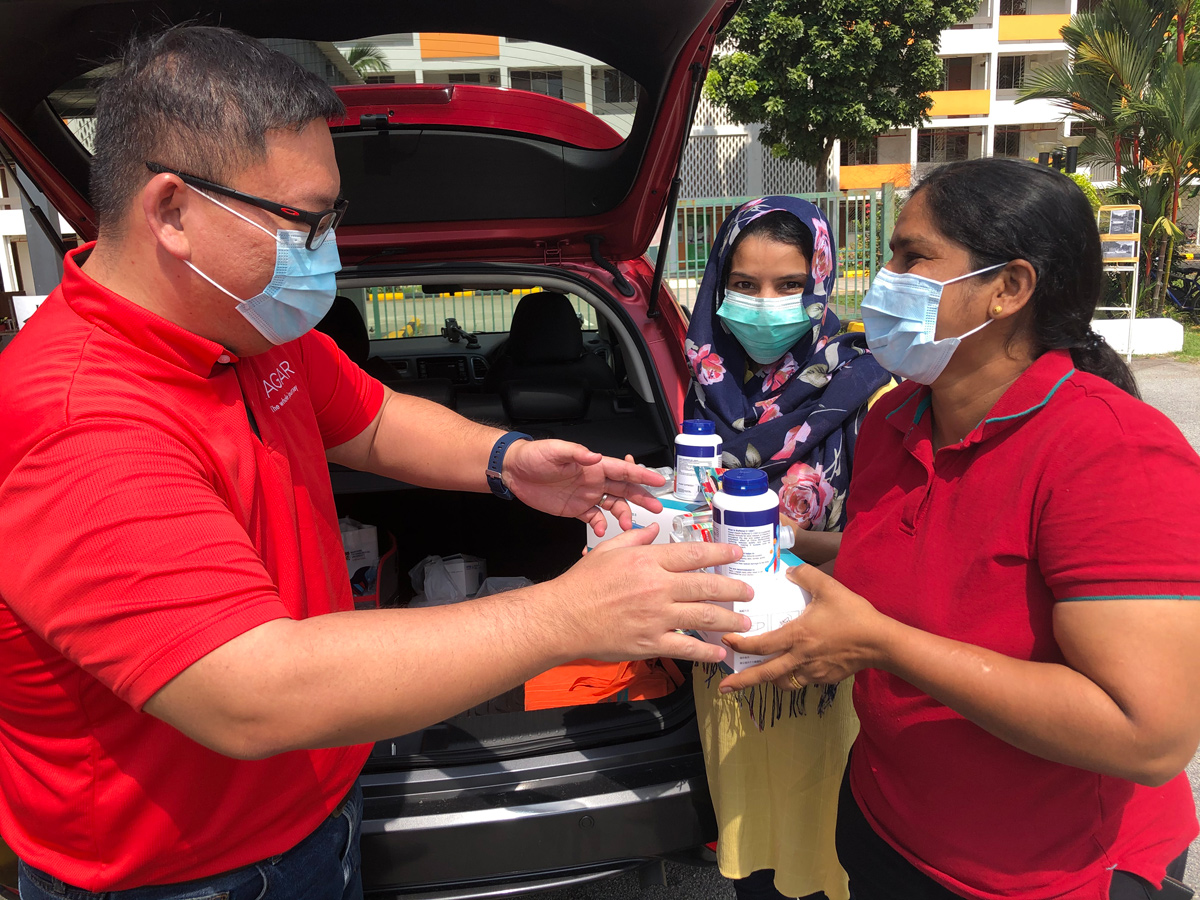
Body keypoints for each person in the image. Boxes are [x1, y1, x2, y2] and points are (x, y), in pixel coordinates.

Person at [0, 26, 755, 900]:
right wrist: (570, 615)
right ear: (172, 211)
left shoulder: (244, 330)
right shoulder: (77, 424)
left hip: (316, 811)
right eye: (307, 220)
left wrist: (508, 461)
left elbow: (373, 419)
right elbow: (251, 691)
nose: (328, 247)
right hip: (186, 877)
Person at [722, 158, 1200, 900]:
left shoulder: (1110, 451)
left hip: (1048, 875)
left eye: (912, 256)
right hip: (885, 829)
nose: (881, 281)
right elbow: (916, 558)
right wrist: (764, 542)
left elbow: (1149, 735)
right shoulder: (896, 416)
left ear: (1008, 288)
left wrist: (880, 645)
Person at [682, 197, 891, 900]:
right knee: (754, 846)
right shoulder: (706, 385)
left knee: (831, 839)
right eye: (744, 284)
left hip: (826, 656)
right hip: (728, 653)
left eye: (788, 284)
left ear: (821, 281)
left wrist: (796, 541)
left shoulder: (868, 387)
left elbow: (889, 542)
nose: (765, 305)